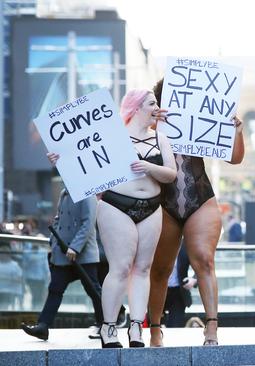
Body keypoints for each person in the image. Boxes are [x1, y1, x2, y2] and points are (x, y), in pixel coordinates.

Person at [148, 78, 244, 347]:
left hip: (199, 198)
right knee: (160, 269)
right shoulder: (151, 124)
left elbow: (235, 158)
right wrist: (150, 120)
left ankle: (211, 328)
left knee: (204, 259)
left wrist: (236, 130)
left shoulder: (200, 119)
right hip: (162, 203)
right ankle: (155, 329)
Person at [88, 89, 176, 348]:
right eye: (152, 103)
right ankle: (109, 327)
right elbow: (85, 161)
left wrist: (149, 167)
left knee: (143, 268)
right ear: (136, 107)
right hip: (116, 205)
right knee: (121, 267)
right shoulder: (114, 136)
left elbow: (171, 173)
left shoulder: (160, 137)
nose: (157, 107)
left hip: (152, 207)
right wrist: (61, 159)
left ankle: (137, 326)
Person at [21, 188, 103, 341]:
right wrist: (53, 241)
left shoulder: (87, 193)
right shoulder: (64, 193)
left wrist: (75, 247)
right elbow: (58, 219)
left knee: (93, 290)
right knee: (55, 289)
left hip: (83, 254)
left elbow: (88, 223)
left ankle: (105, 323)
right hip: (63, 253)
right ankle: (43, 326)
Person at [163, 243, 196, 327]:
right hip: (158, 291)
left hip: (179, 293)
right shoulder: (159, 242)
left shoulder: (186, 245)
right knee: (154, 326)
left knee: (175, 326)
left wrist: (193, 280)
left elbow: (202, 266)